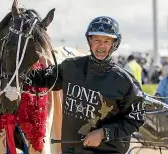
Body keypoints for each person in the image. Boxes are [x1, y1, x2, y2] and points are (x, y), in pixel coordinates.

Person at [23, 16, 146, 154]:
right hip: (70, 150)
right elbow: (41, 78)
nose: (101, 45)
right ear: (90, 41)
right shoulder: (71, 67)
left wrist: (103, 133)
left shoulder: (125, 82)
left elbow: (136, 118)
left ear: (114, 44)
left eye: (106, 41)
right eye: (97, 40)